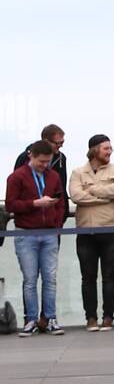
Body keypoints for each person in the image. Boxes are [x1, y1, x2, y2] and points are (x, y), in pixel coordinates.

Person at [5, 140, 65, 336]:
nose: (44, 165)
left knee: (50, 279)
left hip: (49, 233)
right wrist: (35, 203)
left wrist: (57, 226)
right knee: (30, 279)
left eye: (48, 161)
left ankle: (50, 318)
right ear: (31, 156)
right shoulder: (16, 177)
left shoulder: (54, 176)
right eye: (41, 161)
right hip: (26, 233)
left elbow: (61, 202)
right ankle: (31, 319)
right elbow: (11, 205)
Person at [68, 135, 114, 331]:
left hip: (110, 230)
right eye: (105, 148)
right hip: (85, 232)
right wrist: (104, 197)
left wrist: (91, 190)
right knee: (88, 277)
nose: (110, 152)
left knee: (109, 276)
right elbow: (76, 196)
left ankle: (108, 317)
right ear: (94, 150)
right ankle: (90, 318)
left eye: (111, 148)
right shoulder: (77, 172)